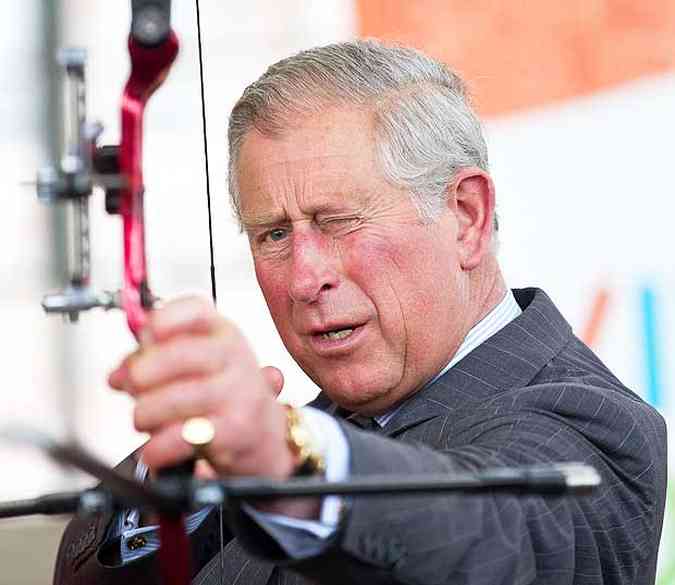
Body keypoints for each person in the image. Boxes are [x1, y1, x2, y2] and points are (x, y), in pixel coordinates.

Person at [54, 40, 667, 585]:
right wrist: (171, 479)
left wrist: (284, 456)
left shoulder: (588, 426)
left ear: (466, 217)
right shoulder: (322, 422)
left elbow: (489, 544)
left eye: (339, 222)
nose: (303, 278)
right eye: (272, 235)